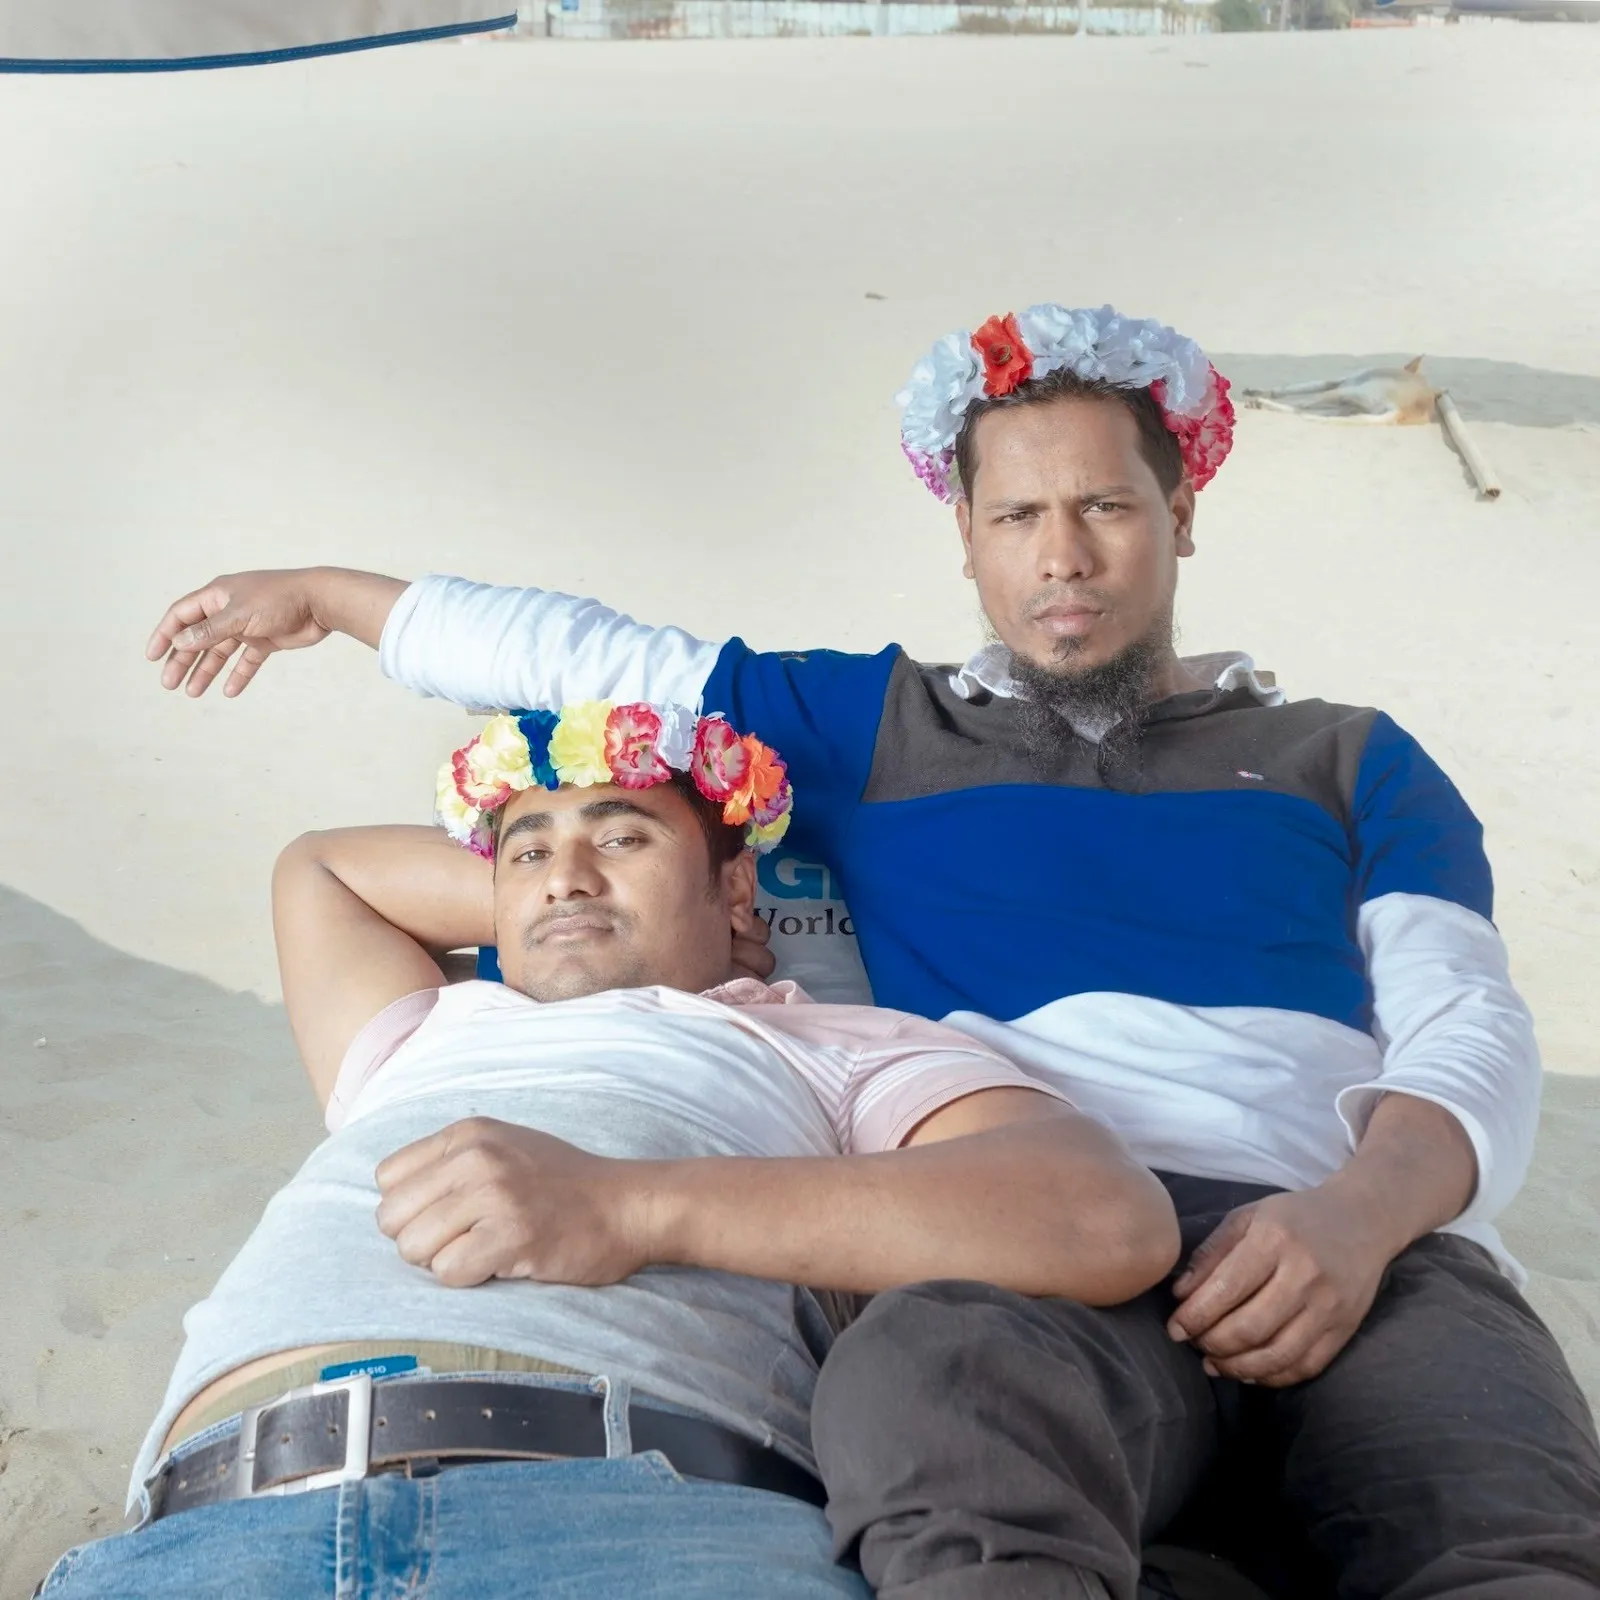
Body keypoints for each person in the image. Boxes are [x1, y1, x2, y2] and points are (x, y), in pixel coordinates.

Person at [144, 302, 1600, 1598]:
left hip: (1354, 1223)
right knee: (935, 1414)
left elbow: (1465, 1027)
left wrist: (1355, 1221)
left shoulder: (1346, 757)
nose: (1064, 558)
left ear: (1184, 514)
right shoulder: (871, 728)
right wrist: (333, 599)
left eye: (1106, 506)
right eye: (1017, 517)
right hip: (1020, 1248)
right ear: (963, 537)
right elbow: (590, 660)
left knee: (1496, 1528)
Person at [34, 701, 1179, 1600]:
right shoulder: (427, 1026)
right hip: (216, 1525)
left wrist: (631, 1207)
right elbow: (319, 865)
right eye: (524, 855)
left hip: (636, 1513)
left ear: (739, 886)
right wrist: (571, 882)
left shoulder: (833, 1044)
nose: (564, 874)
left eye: (622, 837)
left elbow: (1096, 1217)